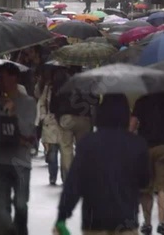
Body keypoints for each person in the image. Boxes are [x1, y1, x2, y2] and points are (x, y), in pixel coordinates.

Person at [55, 94, 149, 235]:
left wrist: (62, 215)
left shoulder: (88, 143)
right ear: (125, 115)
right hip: (126, 220)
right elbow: (144, 181)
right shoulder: (137, 144)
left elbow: (74, 183)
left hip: (94, 221)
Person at [0, 63, 37, 235]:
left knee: (20, 204)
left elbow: (27, 130)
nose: (1, 82)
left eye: (3, 77)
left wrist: (14, 113)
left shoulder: (28, 102)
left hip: (20, 161)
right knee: (2, 207)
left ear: (14, 78)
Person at [131, 93, 164, 235]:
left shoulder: (142, 100)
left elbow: (132, 125)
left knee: (146, 188)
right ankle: (162, 223)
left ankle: (147, 223)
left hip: (145, 148)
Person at [38, 69, 72, 185]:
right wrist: (43, 116)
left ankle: (65, 177)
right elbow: (42, 102)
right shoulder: (48, 88)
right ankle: (53, 177)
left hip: (65, 123)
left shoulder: (70, 89)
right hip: (51, 122)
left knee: (65, 154)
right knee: (52, 152)